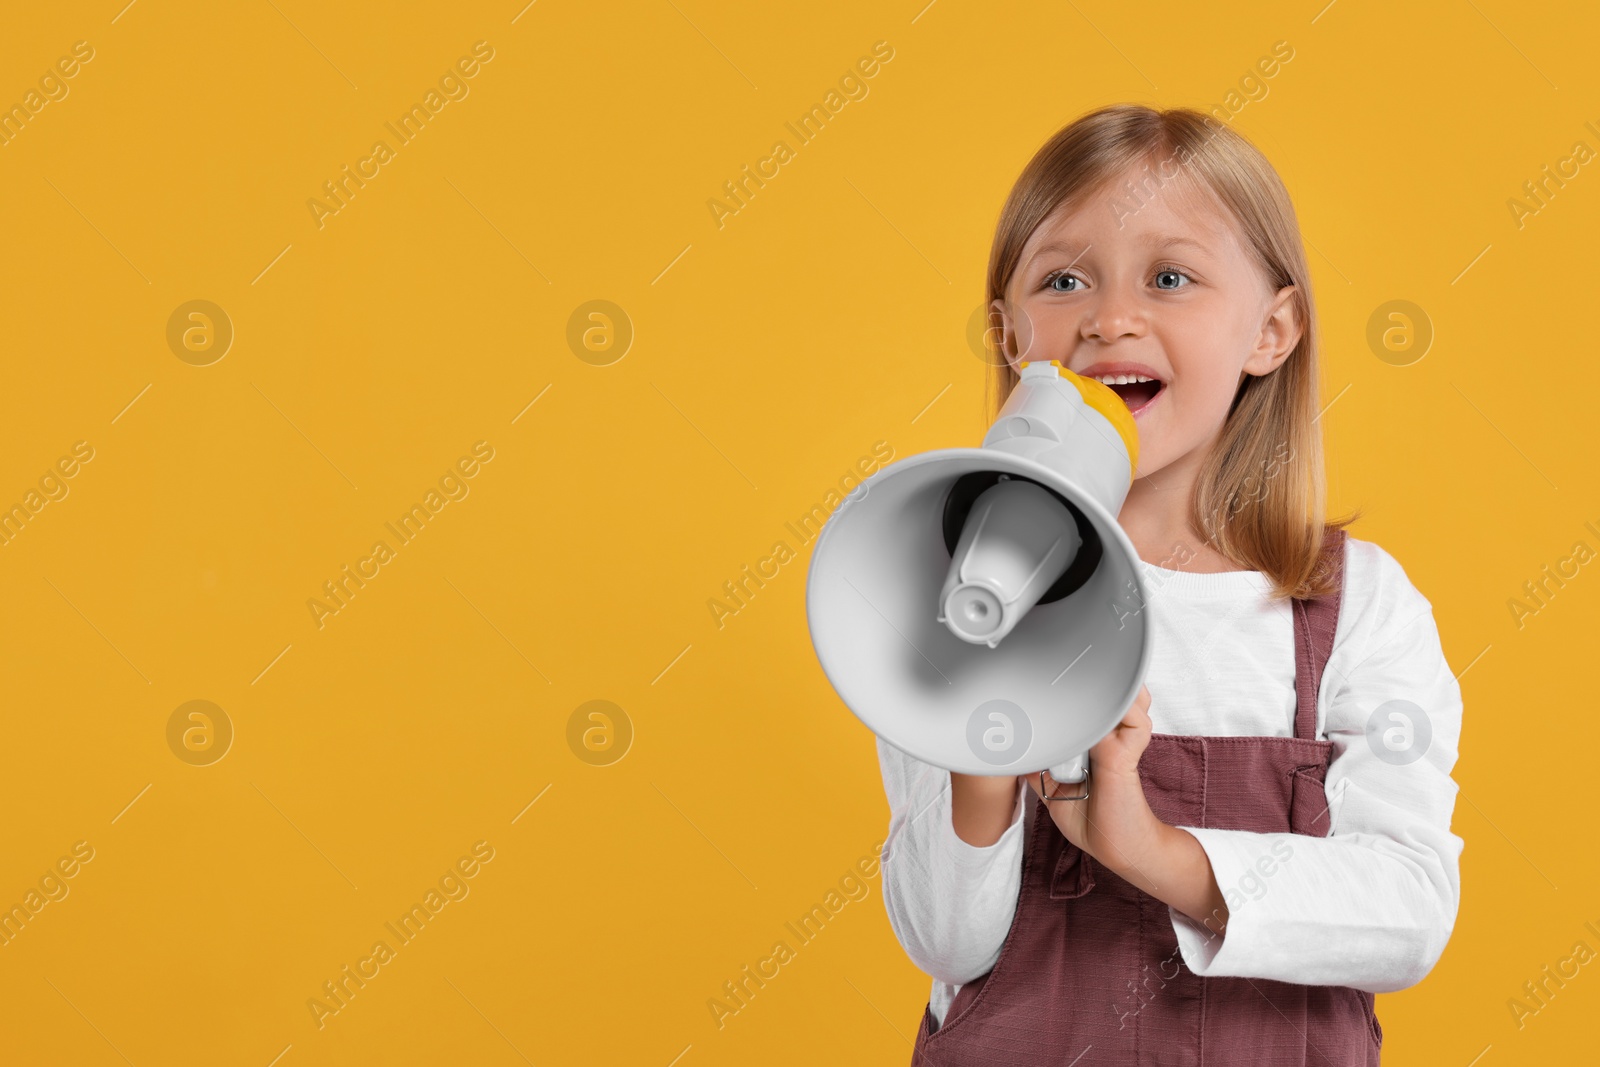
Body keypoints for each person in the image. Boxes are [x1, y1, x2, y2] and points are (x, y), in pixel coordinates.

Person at [878, 104, 1463, 1064]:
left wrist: (1147, 848)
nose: (1110, 316)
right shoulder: (949, 594)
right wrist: (982, 738)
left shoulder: (1359, 604)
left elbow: (1406, 910)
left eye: (1170, 276)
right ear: (1008, 332)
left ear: (1270, 331)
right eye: (1064, 279)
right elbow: (946, 941)